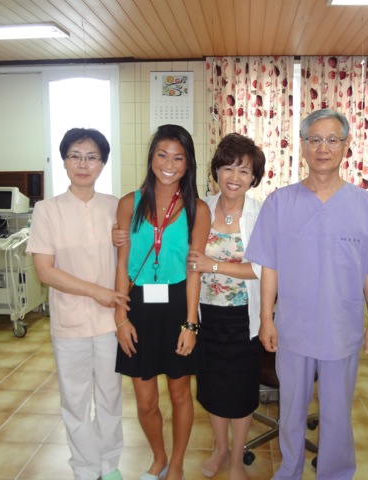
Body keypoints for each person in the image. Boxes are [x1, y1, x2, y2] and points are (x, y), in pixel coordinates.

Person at [245, 109, 368, 480]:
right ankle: (290, 470)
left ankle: (335, 473)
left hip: (341, 329)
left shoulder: (366, 206)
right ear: (302, 146)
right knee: (292, 410)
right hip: (293, 329)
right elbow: (270, 267)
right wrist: (267, 318)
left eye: (332, 140)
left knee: (336, 412)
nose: (323, 148)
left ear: (346, 146)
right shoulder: (280, 203)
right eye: (314, 139)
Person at [26, 128, 130, 480]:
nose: (83, 164)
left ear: (102, 163)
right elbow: (45, 272)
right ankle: (85, 469)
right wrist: (95, 292)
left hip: (109, 322)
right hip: (69, 323)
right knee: (75, 401)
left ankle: (109, 465)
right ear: (64, 160)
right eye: (75, 155)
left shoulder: (116, 206)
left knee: (110, 398)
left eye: (91, 157)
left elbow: (129, 260)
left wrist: (123, 242)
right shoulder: (47, 210)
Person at [114, 124, 211, 480]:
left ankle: (179, 463)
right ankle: (158, 457)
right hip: (137, 305)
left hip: (176, 305)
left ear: (188, 164)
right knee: (145, 400)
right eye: (162, 154)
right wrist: (120, 317)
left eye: (178, 157)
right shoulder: (129, 203)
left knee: (179, 392)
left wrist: (190, 324)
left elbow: (194, 269)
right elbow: (122, 265)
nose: (169, 164)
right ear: (151, 157)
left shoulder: (197, 209)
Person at [186, 133, 266, 479]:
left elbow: (260, 269)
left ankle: (237, 457)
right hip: (207, 315)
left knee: (243, 391)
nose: (234, 177)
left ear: (254, 178)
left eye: (244, 171)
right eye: (228, 167)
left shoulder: (261, 213)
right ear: (216, 170)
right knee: (213, 388)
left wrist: (212, 265)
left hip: (243, 317)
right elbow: (188, 260)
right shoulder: (201, 207)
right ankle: (220, 449)